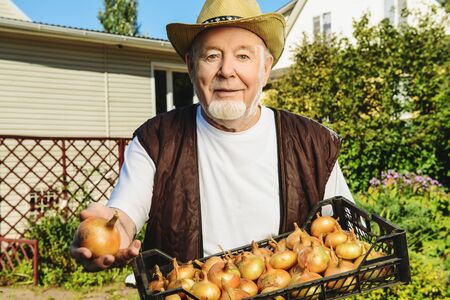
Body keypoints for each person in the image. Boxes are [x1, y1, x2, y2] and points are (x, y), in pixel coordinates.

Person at [70, 0, 354, 272]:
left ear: (265, 68)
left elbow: (346, 235)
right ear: (192, 67)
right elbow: (126, 212)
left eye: (242, 56)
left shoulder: (313, 143)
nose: (226, 71)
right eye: (212, 56)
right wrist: (114, 230)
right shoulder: (156, 139)